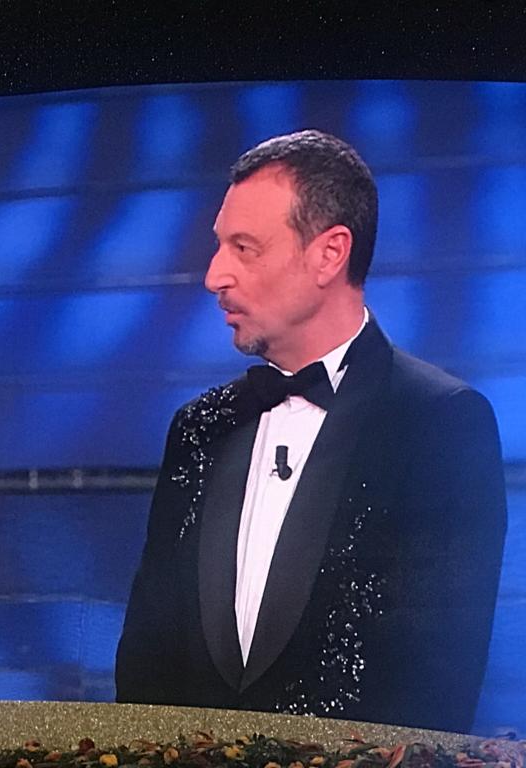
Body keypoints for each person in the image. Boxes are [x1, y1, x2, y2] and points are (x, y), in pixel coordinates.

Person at [115, 130, 506, 733]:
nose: (214, 275)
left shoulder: (439, 424)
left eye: (244, 248)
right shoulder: (199, 427)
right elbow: (145, 665)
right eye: (219, 245)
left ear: (329, 254)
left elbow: (435, 691)